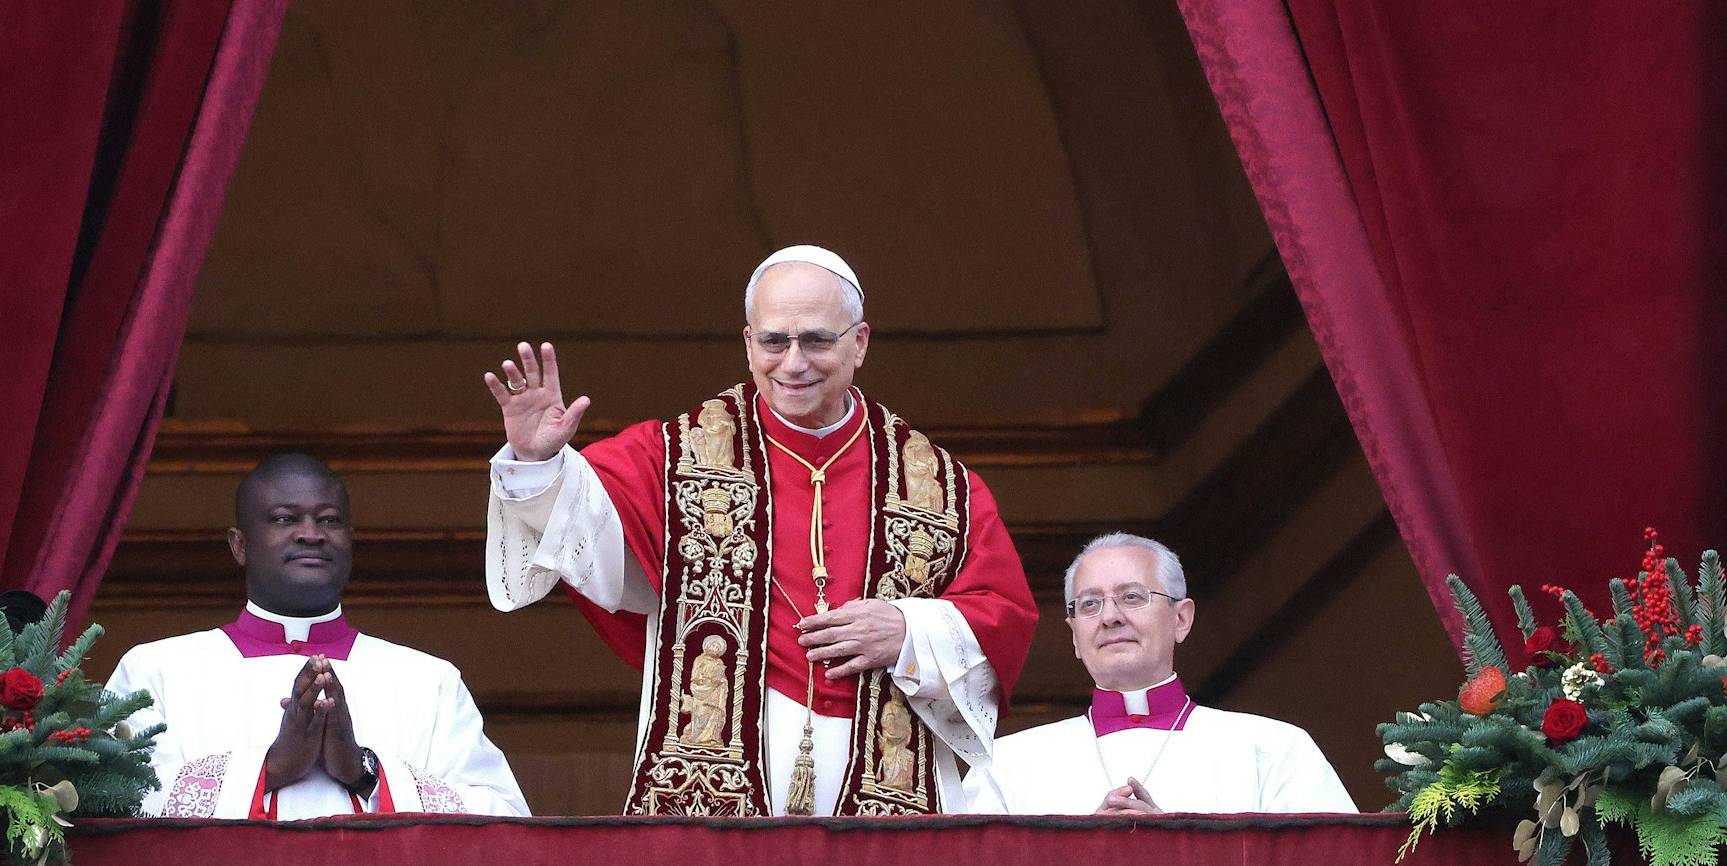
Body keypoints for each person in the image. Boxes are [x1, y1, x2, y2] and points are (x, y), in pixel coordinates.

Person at [484, 245, 1037, 816]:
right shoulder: (675, 455)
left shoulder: (941, 485)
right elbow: (590, 543)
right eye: (775, 341)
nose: (793, 362)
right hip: (716, 778)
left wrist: (911, 631)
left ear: (860, 343)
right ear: (749, 345)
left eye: (817, 340)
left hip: (891, 781)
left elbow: (1004, 614)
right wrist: (538, 462)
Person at [107, 454, 528, 820]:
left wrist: (364, 772)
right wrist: (268, 769)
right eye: (285, 519)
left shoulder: (428, 680)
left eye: (329, 520)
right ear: (239, 545)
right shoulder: (155, 670)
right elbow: (113, 805)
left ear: (351, 541)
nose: (312, 533)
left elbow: (503, 820)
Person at [984, 532, 1356, 815]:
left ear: (1181, 619)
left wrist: (1177, 855)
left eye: (1132, 597)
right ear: (1075, 636)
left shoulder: (1273, 750)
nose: (1110, 616)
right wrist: (1083, 856)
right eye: (1090, 604)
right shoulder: (1004, 767)